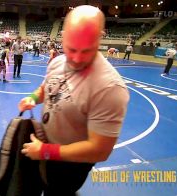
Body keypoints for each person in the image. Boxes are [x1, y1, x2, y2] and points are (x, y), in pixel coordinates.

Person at [18, 5, 130, 195]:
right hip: (43, 147)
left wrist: (46, 151)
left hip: (69, 165)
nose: (77, 59)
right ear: (63, 37)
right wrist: (33, 97)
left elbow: (99, 150)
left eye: (86, 51)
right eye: (71, 49)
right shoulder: (58, 62)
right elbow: (47, 88)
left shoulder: (109, 88)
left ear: (99, 38)